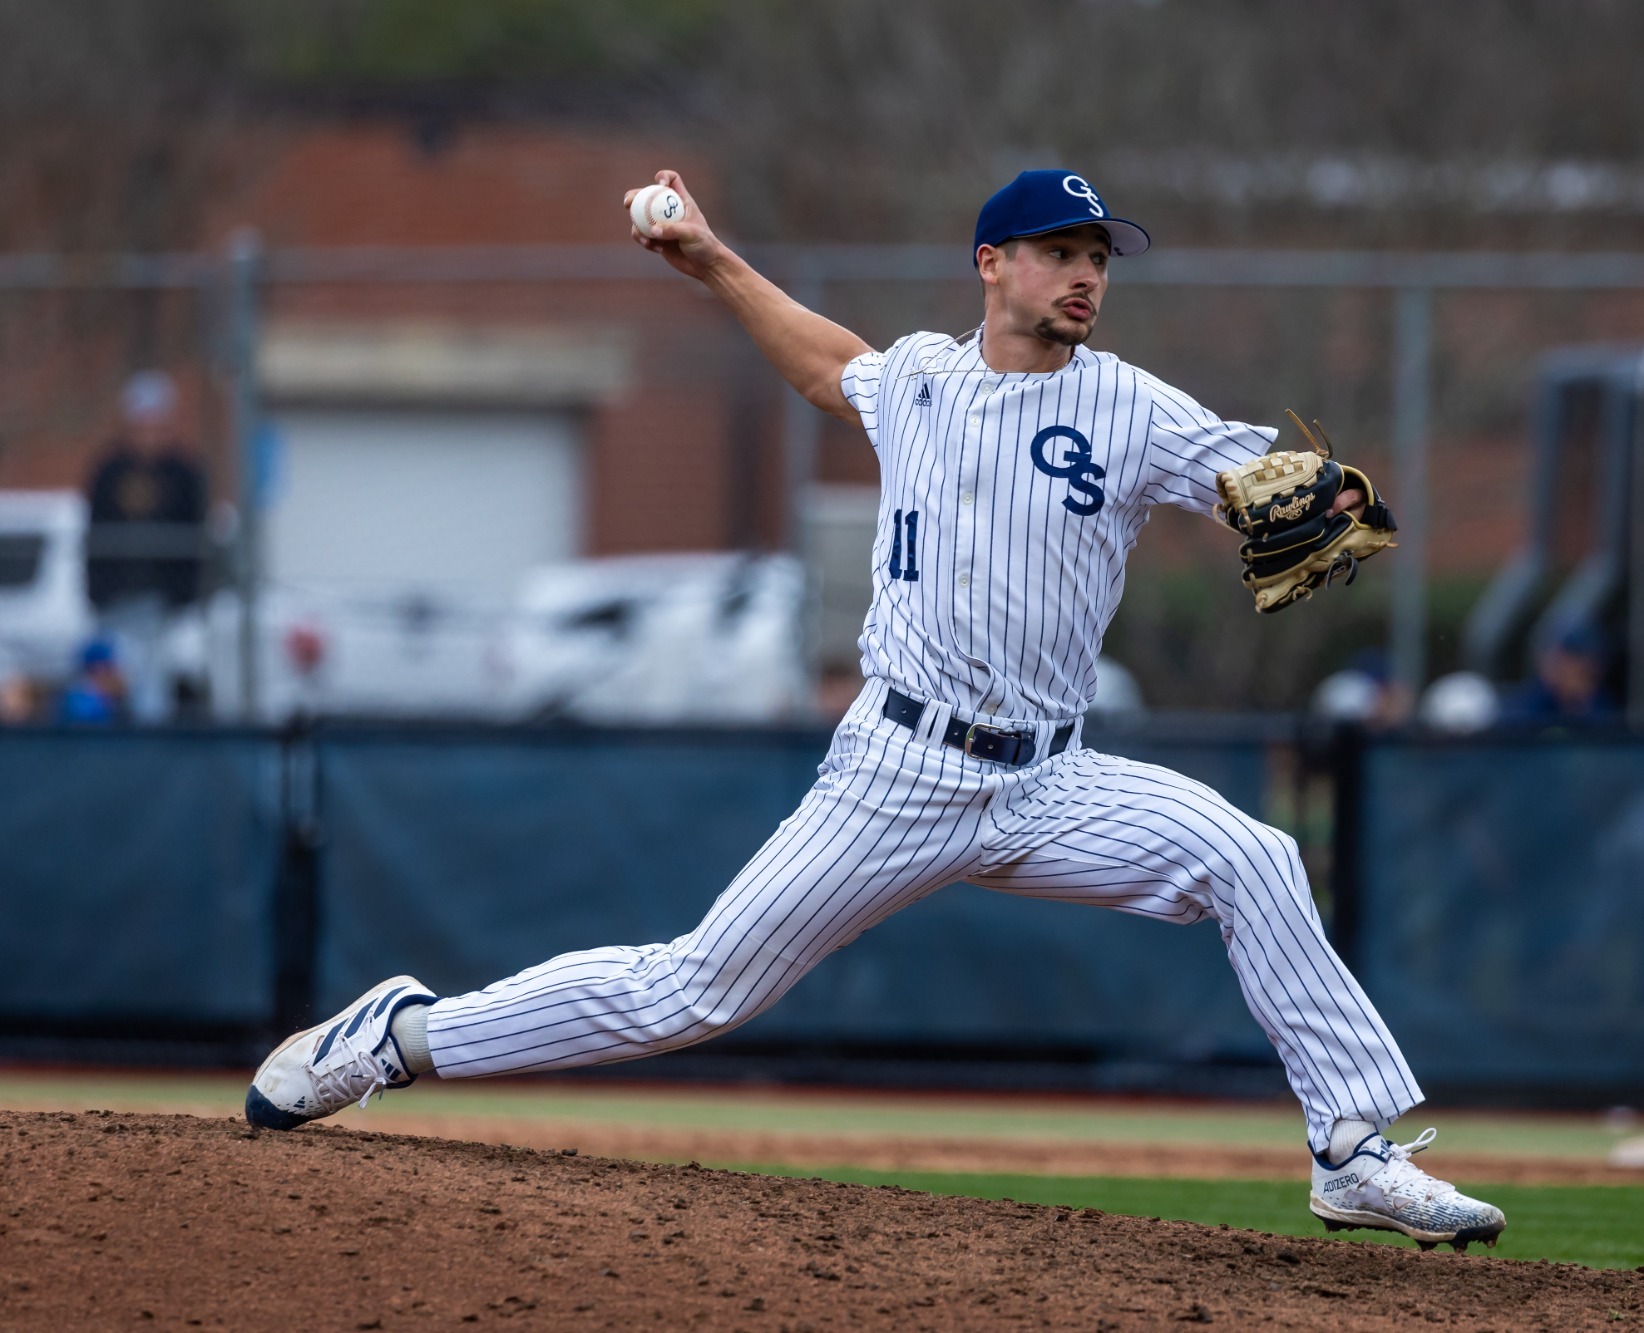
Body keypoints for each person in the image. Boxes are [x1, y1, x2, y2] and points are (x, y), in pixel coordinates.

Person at [244, 168, 1505, 1248]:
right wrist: (703, 255)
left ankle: (1349, 1150)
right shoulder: (915, 383)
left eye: (1095, 257)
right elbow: (822, 362)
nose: (1083, 276)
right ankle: (400, 1037)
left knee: (1256, 855)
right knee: (690, 994)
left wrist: (1310, 492)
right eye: (1057, 253)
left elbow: (1237, 466)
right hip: (896, 772)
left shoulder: (1126, 405)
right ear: (989, 265)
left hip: (1055, 780)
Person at [85, 371, 208, 723]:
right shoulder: (109, 470)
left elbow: (196, 536)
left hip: (168, 608)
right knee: (109, 684)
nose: (148, 432)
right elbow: (94, 533)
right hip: (116, 604)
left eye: (155, 422)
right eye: (141, 422)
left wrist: (183, 596)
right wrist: (99, 593)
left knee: (164, 686)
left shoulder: (185, 472)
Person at [1498, 621, 1616, 730]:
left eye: (1594, 662)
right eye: (1575, 660)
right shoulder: (1523, 711)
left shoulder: (1603, 706)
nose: (1589, 669)